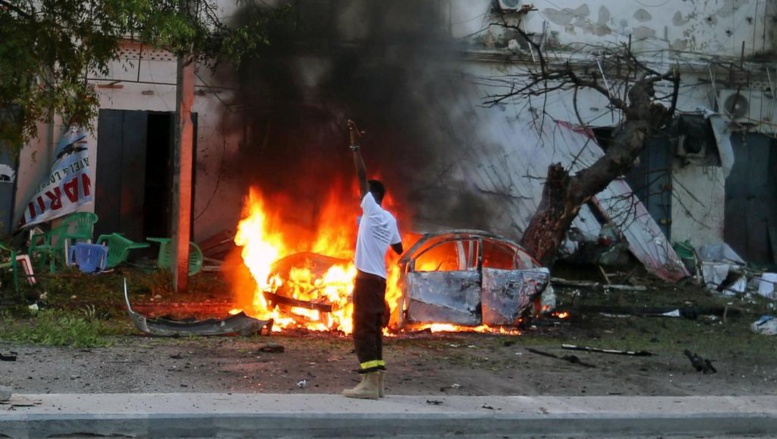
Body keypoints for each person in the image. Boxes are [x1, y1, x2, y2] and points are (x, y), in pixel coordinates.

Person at [342, 119, 403, 400]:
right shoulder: (389, 219)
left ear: (372, 197)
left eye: (364, 194)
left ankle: (367, 383)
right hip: (380, 279)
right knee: (375, 329)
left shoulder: (372, 210)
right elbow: (399, 248)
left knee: (363, 329)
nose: (360, 197)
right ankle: (376, 383)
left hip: (367, 280)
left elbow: (360, 174)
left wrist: (355, 145)